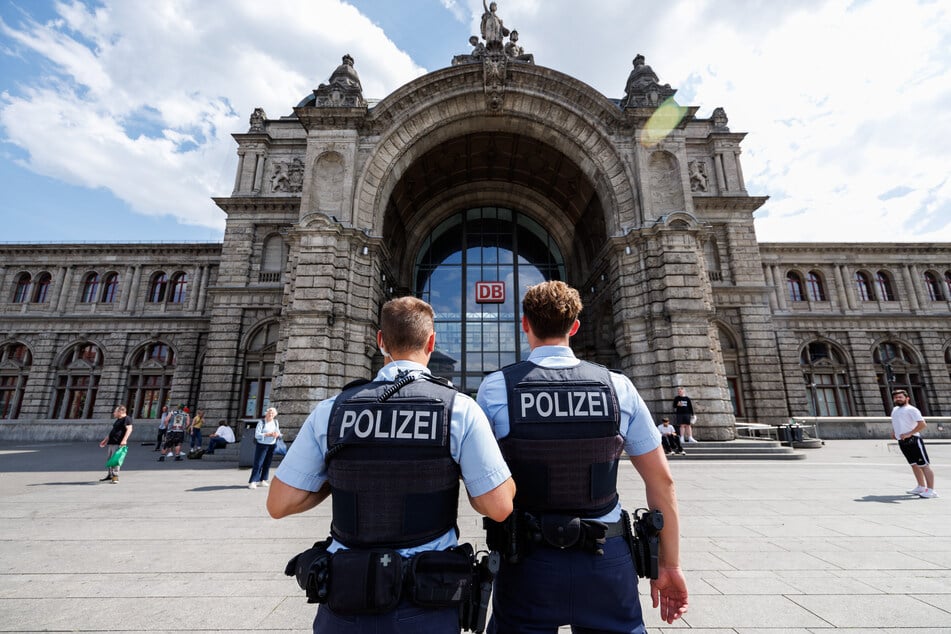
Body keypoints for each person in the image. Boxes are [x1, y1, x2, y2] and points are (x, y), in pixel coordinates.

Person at [267, 296, 515, 633]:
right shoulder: (458, 408)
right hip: (427, 600)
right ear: (431, 342)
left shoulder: (332, 410)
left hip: (346, 600)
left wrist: (337, 475)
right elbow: (498, 507)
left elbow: (280, 504)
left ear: (380, 341)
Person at [477, 280, 688, 632]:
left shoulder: (497, 387)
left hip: (527, 562)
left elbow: (485, 485)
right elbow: (662, 481)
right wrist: (669, 565)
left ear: (525, 323)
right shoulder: (617, 386)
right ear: (574, 326)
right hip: (606, 558)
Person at [891, 389, 938, 498]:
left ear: (907, 398)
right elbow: (896, 422)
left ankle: (931, 490)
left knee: (924, 465)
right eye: (896, 397)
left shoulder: (912, 410)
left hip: (914, 440)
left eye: (900, 397)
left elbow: (922, 424)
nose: (898, 399)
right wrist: (894, 431)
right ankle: (921, 486)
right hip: (901, 441)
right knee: (914, 464)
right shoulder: (895, 410)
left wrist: (909, 433)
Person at [99, 405, 132, 484]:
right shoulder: (118, 420)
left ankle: (115, 477)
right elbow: (113, 431)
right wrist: (105, 440)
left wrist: (124, 440)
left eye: (115, 412)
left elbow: (129, 429)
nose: (114, 413)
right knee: (110, 460)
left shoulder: (127, 419)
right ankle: (110, 475)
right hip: (112, 442)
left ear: (120, 412)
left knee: (116, 460)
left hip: (118, 442)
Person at [248, 407, 281, 489]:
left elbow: (278, 432)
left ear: (275, 415)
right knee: (258, 463)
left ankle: (263, 480)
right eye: (269, 413)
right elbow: (257, 435)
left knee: (267, 463)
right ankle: (253, 481)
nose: (271, 414)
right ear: (266, 414)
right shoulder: (261, 422)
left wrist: (277, 435)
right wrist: (267, 434)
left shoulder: (276, 422)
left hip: (272, 444)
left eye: (272, 413)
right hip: (262, 445)